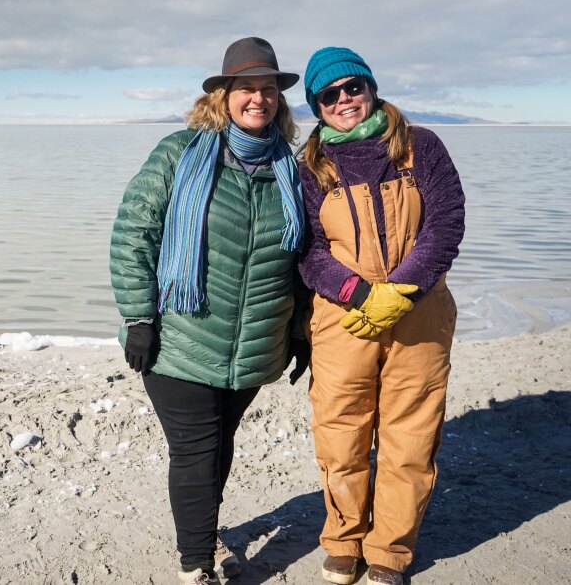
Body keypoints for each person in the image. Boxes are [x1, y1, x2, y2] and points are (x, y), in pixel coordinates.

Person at [109, 36, 311, 585]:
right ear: (222, 95)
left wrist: (298, 332)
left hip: (255, 344)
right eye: (246, 88)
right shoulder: (179, 153)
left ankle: (201, 532)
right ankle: (196, 563)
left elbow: (301, 260)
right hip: (180, 338)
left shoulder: (289, 169)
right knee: (197, 452)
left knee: (219, 447)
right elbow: (134, 235)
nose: (258, 99)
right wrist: (139, 318)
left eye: (268, 89)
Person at [297, 46, 465, 585]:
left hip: (420, 316)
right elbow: (306, 249)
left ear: (370, 87)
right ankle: (344, 541)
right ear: (317, 107)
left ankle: (390, 552)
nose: (344, 99)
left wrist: (399, 290)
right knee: (340, 432)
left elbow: (446, 223)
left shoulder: (421, 147)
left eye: (352, 87)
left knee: (410, 437)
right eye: (329, 95)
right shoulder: (310, 166)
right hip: (344, 319)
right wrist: (357, 292)